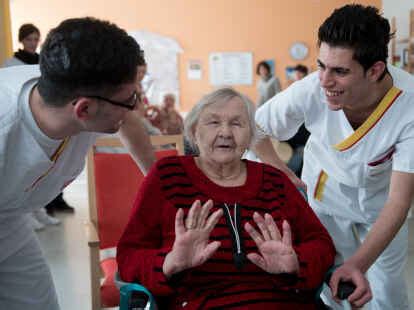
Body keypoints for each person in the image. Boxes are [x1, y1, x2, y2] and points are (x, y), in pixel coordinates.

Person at [254, 4, 414, 309]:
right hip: (326, 195)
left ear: (375, 70)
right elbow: (256, 127)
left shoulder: (410, 106)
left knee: (389, 292)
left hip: (382, 203)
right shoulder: (311, 88)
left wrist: (360, 263)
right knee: (330, 283)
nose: (325, 81)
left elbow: (399, 201)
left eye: (339, 71)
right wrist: (279, 168)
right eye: (321, 66)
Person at [117, 88, 335, 309]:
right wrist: (169, 262)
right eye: (213, 123)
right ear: (193, 131)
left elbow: (321, 244)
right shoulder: (168, 176)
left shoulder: (274, 181)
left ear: (251, 136)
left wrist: (296, 262)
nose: (226, 133)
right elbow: (129, 257)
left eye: (237, 124)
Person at [0, 17, 156, 310]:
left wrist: (158, 184)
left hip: (9, 219)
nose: (134, 106)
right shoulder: (5, 129)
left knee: (38, 303)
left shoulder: (70, 87)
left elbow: (127, 119)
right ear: (84, 109)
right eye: (130, 98)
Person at [1, 23, 65, 229]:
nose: (33, 43)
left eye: (36, 39)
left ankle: (40, 211)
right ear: (22, 40)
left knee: (40, 171)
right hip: (21, 120)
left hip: (42, 118)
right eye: (29, 39)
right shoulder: (11, 62)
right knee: (24, 169)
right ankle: (26, 215)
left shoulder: (42, 61)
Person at [286, 64, 310, 177]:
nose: (297, 75)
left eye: (300, 73)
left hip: (304, 130)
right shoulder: (291, 89)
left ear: (305, 74)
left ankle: (291, 177)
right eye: (296, 73)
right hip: (292, 131)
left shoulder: (309, 90)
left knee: (301, 152)